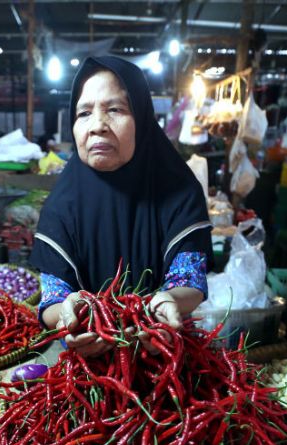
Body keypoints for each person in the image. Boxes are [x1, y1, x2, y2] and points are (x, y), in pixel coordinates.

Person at [31, 57, 213, 357]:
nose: (97, 126)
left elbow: (190, 279)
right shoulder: (60, 206)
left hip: (166, 354)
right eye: (84, 113)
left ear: (141, 118)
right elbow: (52, 298)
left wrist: (167, 300)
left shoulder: (179, 191)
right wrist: (67, 316)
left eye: (114, 110)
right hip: (90, 366)